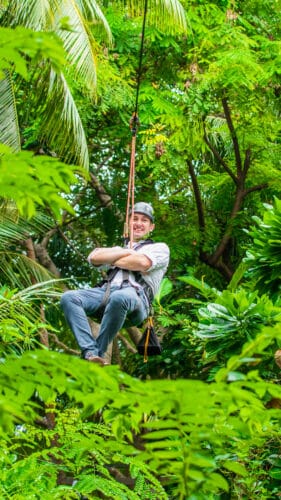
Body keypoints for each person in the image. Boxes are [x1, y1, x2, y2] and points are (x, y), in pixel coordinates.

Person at [60, 202, 170, 365]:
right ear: (128, 223)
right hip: (106, 293)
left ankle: (99, 352)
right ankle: (90, 352)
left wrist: (112, 257)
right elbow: (94, 257)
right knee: (69, 298)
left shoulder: (159, 248)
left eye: (144, 221)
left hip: (137, 299)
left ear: (151, 227)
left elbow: (141, 263)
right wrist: (127, 251)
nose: (139, 223)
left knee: (120, 297)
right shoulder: (119, 248)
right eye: (135, 219)